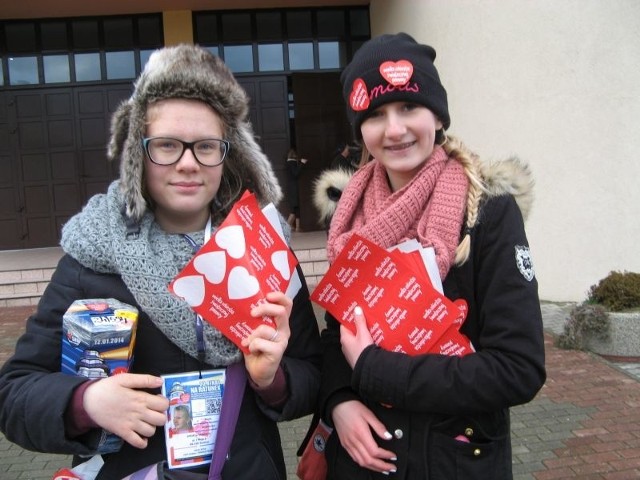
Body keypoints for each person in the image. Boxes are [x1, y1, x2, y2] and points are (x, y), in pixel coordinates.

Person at [0, 44, 321, 480]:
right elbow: (15, 394)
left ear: (228, 155)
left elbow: (310, 375)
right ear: (138, 154)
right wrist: (86, 403)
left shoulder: (263, 252)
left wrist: (272, 380)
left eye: (206, 146)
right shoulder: (92, 259)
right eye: (167, 145)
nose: (188, 164)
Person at [315, 32, 546, 479]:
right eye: (376, 115)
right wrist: (339, 401)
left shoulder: (487, 215)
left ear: (437, 116)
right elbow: (335, 336)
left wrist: (375, 370)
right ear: (360, 130)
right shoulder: (349, 218)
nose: (395, 129)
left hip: (452, 461)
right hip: (365, 463)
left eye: (409, 107)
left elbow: (518, 368)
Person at [285, 147, 308, 232]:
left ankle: (297, 227)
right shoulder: (292, 163)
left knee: (297, 207)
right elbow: (296, 173)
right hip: (294, 188)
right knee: (294, 208)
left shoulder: (289, 163)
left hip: (292, 187)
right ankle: (287, 226)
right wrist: (302, 163)